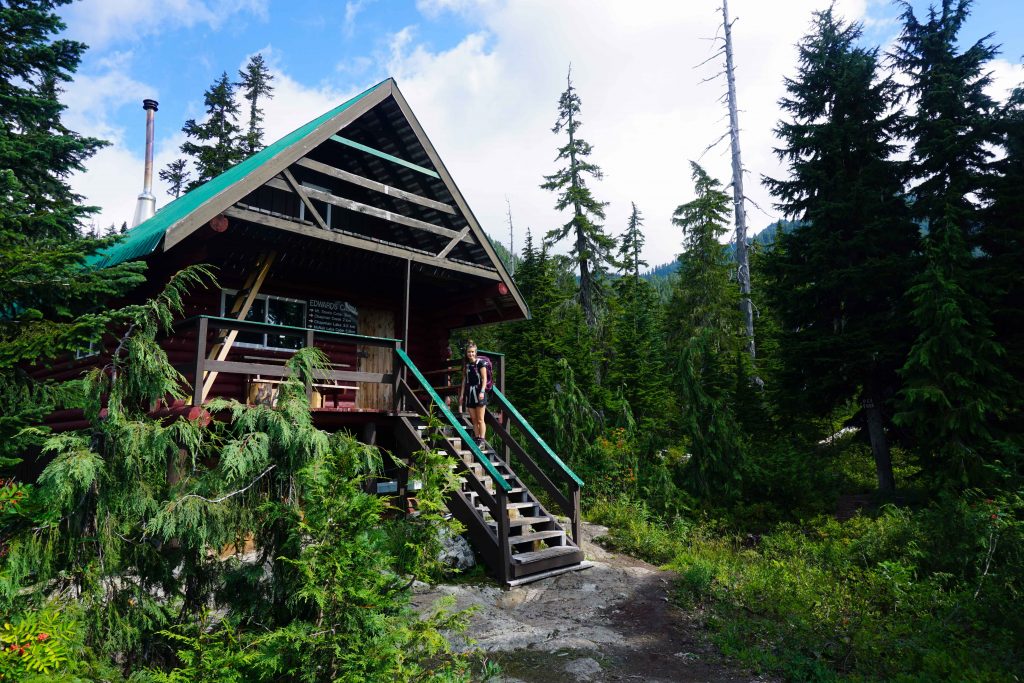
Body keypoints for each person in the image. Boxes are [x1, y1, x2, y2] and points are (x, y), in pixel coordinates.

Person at [458, 340, 489, 448]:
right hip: (470, 394)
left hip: (479, 393)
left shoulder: (481, 363)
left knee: (480, 419)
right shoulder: (466, 365)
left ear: (475, 352)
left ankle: (482, 440)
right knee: (474, 420)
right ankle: (477, 439)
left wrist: (482, 391)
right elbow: (464, 381)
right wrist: (462, 395)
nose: (470, 354)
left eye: (472, 352)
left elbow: (484, 378)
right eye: (468, 352)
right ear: (466, 353)